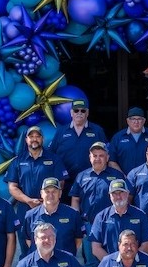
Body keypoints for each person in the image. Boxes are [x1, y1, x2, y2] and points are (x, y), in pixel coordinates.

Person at [70, 141, 129, 267]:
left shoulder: (117, 176)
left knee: (114, 258)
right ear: (90, 157)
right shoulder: (82, 176)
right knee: (91, 261)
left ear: (107, 157)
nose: (97, 158)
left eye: (101, 155)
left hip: (112, 224)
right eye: (94, 155)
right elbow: (75, 200)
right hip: (88, 225)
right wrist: (78, 222)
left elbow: (126, 198)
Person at [6, 125, 68, 258]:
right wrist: (29, 200)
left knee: (50, 243)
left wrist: (47, 200)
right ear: (26, 140)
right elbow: (12, 187)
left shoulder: (54, 159)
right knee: (26, 246)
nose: (34, 139)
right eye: (31, 136)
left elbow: (61, 182)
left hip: (49, 209)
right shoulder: (18, 161)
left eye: (37, 136)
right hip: (25, 209)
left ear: (42, 139)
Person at [47, 98, 106, 201]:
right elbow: (51, 155)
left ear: (87, 113)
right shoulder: (61, 131)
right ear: (71, 113)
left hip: (90, 181)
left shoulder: (97, 131)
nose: (79, 113)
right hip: (65, 182)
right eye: (76, 110)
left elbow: (106, 154)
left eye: (83, 111)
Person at [89, 179, 148, 261]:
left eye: (121, 192)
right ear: (110, 196)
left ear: (127, 193)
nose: (118, 197)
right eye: (114, 193)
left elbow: (146, 245)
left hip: (136, 263)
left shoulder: (140, 215)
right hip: (109, 265)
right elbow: (96, 248)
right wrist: (111, 263)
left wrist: (132, 261)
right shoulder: (101, 217)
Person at [22, 177, 84, 256]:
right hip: (40, 262)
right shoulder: (30, 216)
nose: (50, 195)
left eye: (54, 191)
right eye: (47, 191)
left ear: (60, 193)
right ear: (41, 193)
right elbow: (29, 240)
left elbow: (78, 239)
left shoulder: (73, 214)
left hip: (64, 261)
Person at [108, 107, 148, 174]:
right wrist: (123, 176)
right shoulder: (118, 138)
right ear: (128, 121)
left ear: (144, 121)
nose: (136, 122)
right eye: (133, 119)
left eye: (139, 119)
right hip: (124, 178)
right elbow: (111, 161)